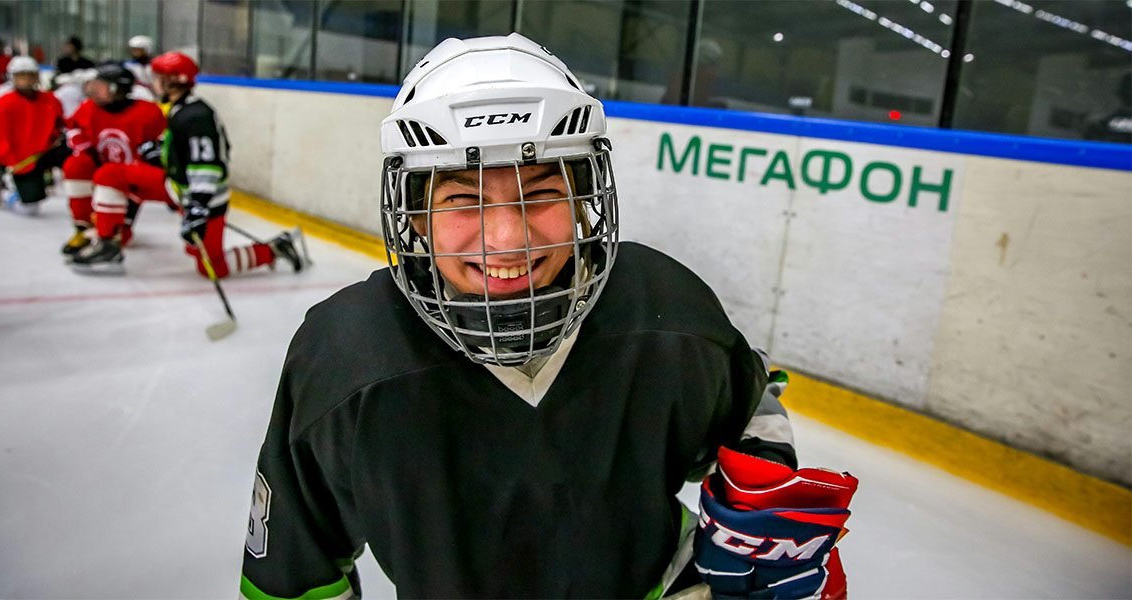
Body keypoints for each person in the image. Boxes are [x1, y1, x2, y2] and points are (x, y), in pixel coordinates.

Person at [239, 33, 857, 600]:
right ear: (413, 212)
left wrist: (762, 505)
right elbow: (296, 577)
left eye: (540, 193)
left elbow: (748, 410)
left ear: (586, 197)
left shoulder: (668, 313)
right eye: (461, 198)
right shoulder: (344, 358)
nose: (507, 242)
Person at [72, 52, 306, 276]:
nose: (154, 84)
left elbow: (207, 166)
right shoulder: (181, 107)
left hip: (205, 198)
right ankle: (108, 243)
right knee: (111, 174)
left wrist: (198, 207)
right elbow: (182, 146)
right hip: (178, 187)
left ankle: (275, 249)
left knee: (212, 269)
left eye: (159, 79)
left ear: (174, 82)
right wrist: (160, 150)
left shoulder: (196, 117)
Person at [60, 62, 166, 259]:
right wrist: (85, 149)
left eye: (102, 87)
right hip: (103, 173)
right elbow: (73, 129)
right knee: (76, 165)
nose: (94, 91)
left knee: (121, 237)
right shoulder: (89, 108)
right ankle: (83, 228)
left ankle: (106, 233)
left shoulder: (148, 112)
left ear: (119, 89)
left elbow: (161, 148)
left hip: (132, 179)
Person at [0, 56, 68, 213]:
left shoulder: (50, 99)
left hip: (46, 152)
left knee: (76, 162)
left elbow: (61, 124)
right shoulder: (3, 103)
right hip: (21, 160)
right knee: (29, 208)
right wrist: (3, 161)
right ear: (12, 78)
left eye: (31, 75)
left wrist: (63, 136)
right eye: (22, 76)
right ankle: (6, 193)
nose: (27, 80)